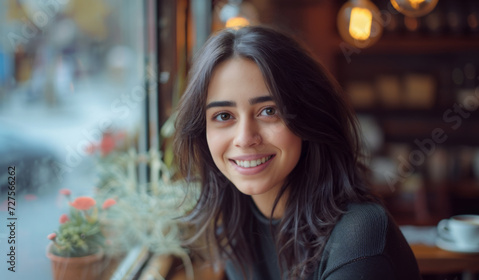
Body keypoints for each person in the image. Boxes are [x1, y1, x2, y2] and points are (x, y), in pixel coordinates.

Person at [173, 25, 421, 280]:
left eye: (269, 111)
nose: (245, 138)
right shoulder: (236, 229)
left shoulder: (359, 238)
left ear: (309, 115)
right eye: (224, 116)